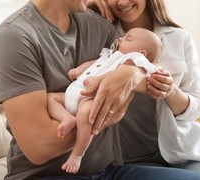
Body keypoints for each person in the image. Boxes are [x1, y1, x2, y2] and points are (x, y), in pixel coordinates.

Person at [0, 0, 200, 179]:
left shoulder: (100, 28)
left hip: (108, 172)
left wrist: (132, 75)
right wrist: (106, 115)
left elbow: (136, 57)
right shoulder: (15, 36)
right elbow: (39, 147)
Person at [93, 0, 200, 180]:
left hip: (181, 153)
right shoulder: (100, 38)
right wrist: (89, 8)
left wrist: (170, 91)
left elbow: (196, 108)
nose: (122, 1)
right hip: (123, 159)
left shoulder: (179, 39)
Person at [47, 27, 162, 174]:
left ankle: (77, 154)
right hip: (74, 90)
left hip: (89, 96)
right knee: (51, 98)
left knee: (87, 115)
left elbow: (151, 70)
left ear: (141, 53)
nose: (120, 38)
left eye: (128, 39)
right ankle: (67, 118)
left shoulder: (132, 60)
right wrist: (80, 69)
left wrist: (97, 80)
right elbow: (93, 63)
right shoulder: (110, 53)